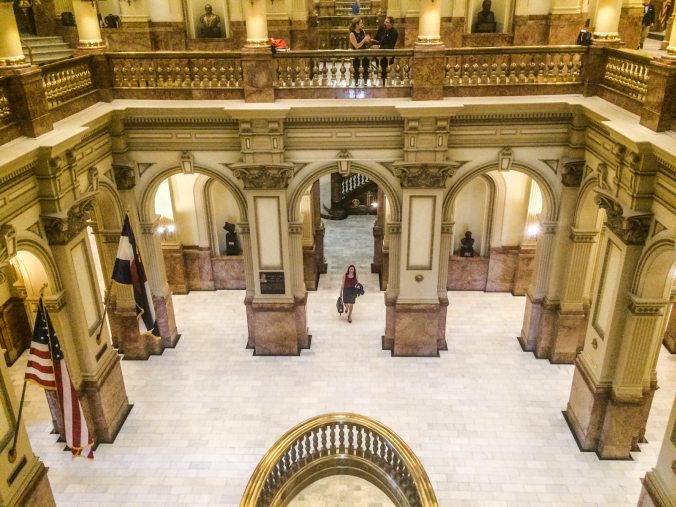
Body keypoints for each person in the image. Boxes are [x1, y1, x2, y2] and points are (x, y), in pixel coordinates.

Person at [372, 16, 398, 82]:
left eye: (387, 22)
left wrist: (379, 47)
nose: (385, 23)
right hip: (378, 55)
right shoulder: (381, 28)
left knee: (384, 74)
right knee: (379, 71)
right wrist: (372, 41)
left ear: (391, 24)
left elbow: (390, 46)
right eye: (385, 21)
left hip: (387, 57)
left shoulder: (394, 33)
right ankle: (379, 83)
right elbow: (376, 38)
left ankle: (383, 86)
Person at [349, 17, 371, 84]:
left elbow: (365, 42)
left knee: (366, 72)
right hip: (357, 56)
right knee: (356, 73)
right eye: (361, 23)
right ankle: (356, 85)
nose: (362, 24)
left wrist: (368, 39)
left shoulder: (362, 31)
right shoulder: (352, 34)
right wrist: (364, 39)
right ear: (356, 24)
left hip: (364, 54)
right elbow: (356, 46)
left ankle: (365, 84)